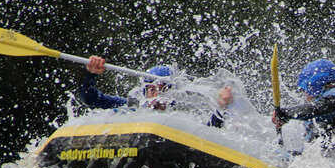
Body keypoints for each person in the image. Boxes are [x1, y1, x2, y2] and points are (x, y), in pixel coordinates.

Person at [78, 56, 233, 126]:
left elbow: (206, 133)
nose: (156, 95)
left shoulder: (182, 113)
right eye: (151, 90)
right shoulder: (135, 105)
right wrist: (91, 74)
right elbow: (91, 100)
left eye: (162, 90)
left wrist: (221, 105)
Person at [271, 59, 335, 159]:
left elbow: (322, 107)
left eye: (305, 90)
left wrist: (284, 113)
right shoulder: (325, 111)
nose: (306, 95)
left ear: (314, 86)